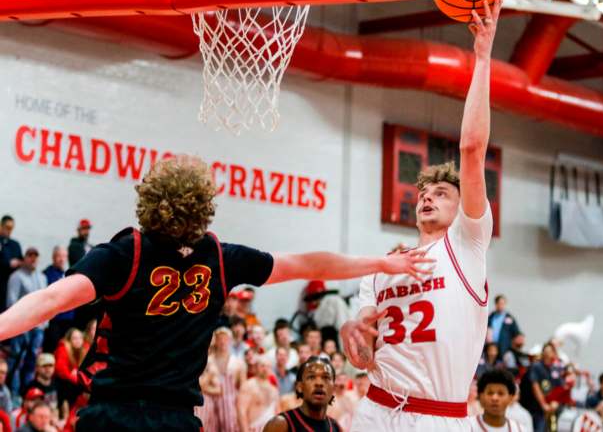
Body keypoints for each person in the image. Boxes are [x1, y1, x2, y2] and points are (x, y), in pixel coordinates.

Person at [0, 155, 432, 432]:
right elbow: (309, 263)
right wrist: (380, 262)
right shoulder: (222, 259)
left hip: (115, 414)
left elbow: (49, 301)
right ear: (203, 206)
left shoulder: (124, 252)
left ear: (150, 202)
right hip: (176, 421)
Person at [341, 0, 501, 432]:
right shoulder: (378, 272)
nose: (428, 198)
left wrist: (483, 57)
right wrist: (355, 335)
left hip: (438, 418)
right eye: (424, 193)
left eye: (442, 193)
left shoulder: (466, 246)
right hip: (375, 410)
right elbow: (361, 358)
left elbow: (471, 149)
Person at [6, 247, 48, 394]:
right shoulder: (16, 277)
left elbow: (46, 301)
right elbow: (11, 303)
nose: (33, 259)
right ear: (24, 258)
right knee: (17, 360)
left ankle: (27, 394)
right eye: (30, 256)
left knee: (32, 361)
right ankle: (14, 393)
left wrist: (44, 323)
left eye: (35, 256)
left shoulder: (42, 277)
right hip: (21, 327)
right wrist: (19, 325)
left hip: (38, 327)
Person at [264, 356, 343, 432]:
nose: (319, 383)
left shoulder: (337, 428)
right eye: (311, 377)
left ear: (333, 387)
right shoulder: (280, 424)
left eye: (326, 377)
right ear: (299, 387)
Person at [519, 342, 562, 432]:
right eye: (545, 351)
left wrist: (555, 402)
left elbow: (558, 387)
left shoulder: (554, 369)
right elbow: (535, 386)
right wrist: (544, 405)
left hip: (544, 411)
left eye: (550, 351)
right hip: (531, 407)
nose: (547, 354)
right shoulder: (536, 366)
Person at [237, 354, 279, 432]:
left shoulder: (274, 390)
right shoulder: (248, 386)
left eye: (268, 366)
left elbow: (277, 414)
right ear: (256, 368)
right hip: (254, 428)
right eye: (262, 366)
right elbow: (241, 412)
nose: (265, 369)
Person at [43, 246, 73, 352]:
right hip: (54, 319)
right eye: (59, 256)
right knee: (52, 348)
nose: (62, 259)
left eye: (64, 256)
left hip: (68, 319)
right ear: (53, 257)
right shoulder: (46, 274)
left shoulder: (67, 274)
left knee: (65, 349)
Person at [0, 215, 23, 313]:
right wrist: (8, 263)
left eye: (12, 228)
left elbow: (22, 260)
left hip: (12, 284)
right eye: (8, 228)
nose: (10, 231)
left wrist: (18, 263)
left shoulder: (15, 244)